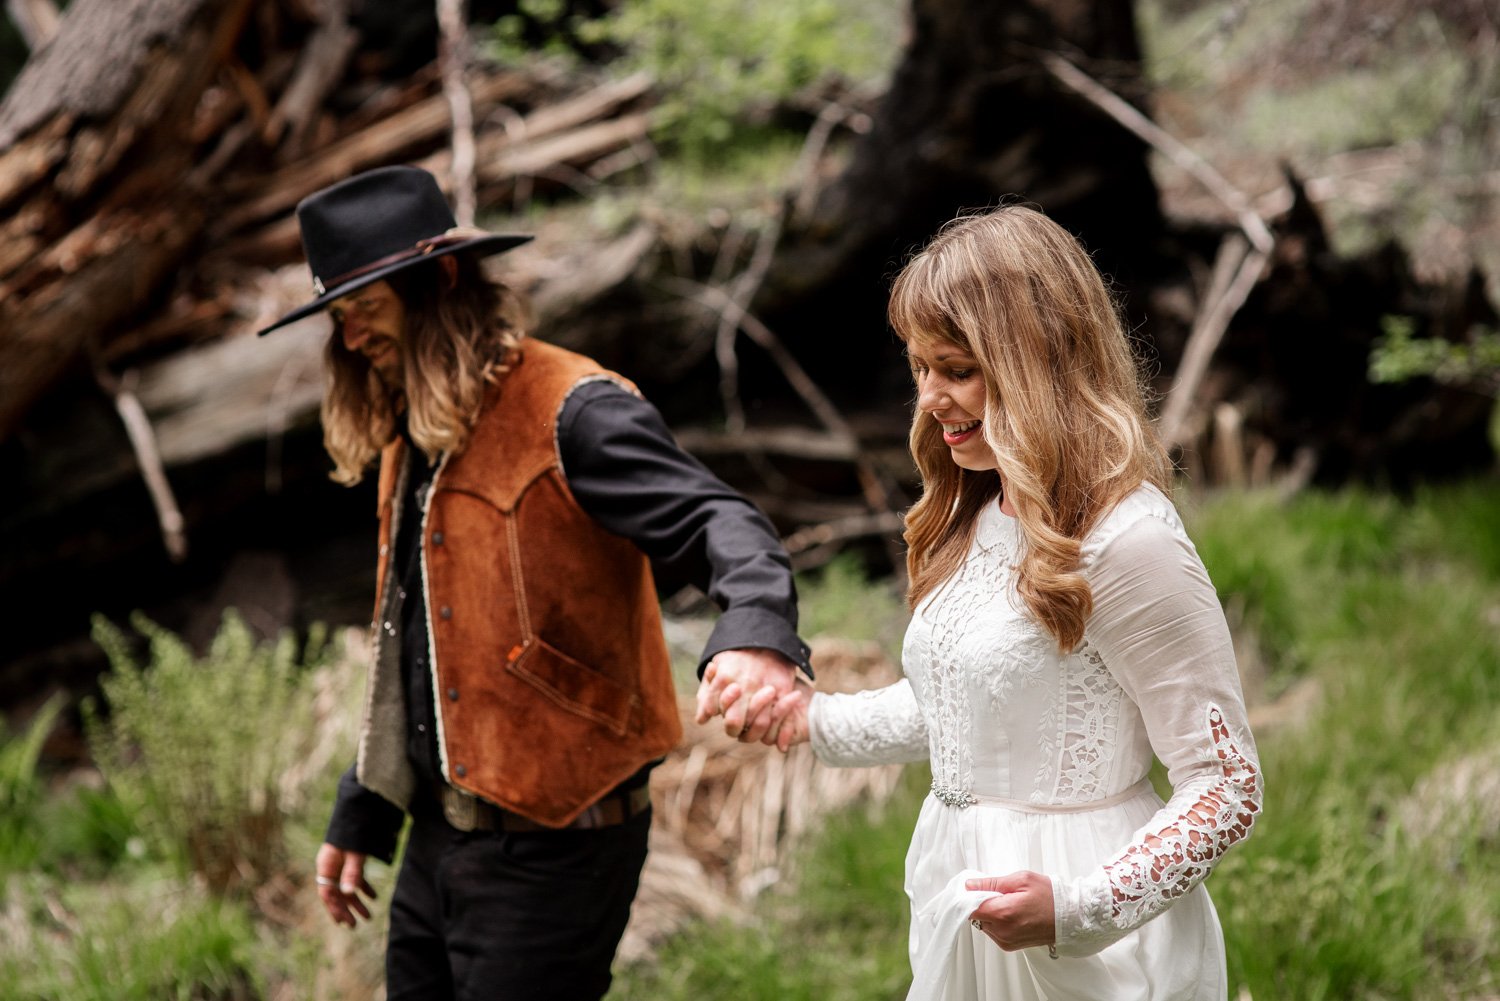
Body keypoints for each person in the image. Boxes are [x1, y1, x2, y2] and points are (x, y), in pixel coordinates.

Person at [256, 164, 809, 1001]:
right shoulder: (414, 437)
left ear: (439, 279)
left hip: (559, 846)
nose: (352, 339)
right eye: (338, 320)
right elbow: (415, 641)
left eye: (364, 311)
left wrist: (759, 633)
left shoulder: (574, 411)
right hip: (438, 845)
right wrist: (365, 805)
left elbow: (718, 520)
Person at [757, 205, 1263, 999]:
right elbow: (967, 707)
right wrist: (810, 719)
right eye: (920, 368)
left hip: (1086, 934)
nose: (929, 399)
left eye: (957, 371)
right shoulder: (979, 511)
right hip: (965, 894)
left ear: (1040, 366)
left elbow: (1226, 781)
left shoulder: (1130, 539)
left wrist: (1077, 907)